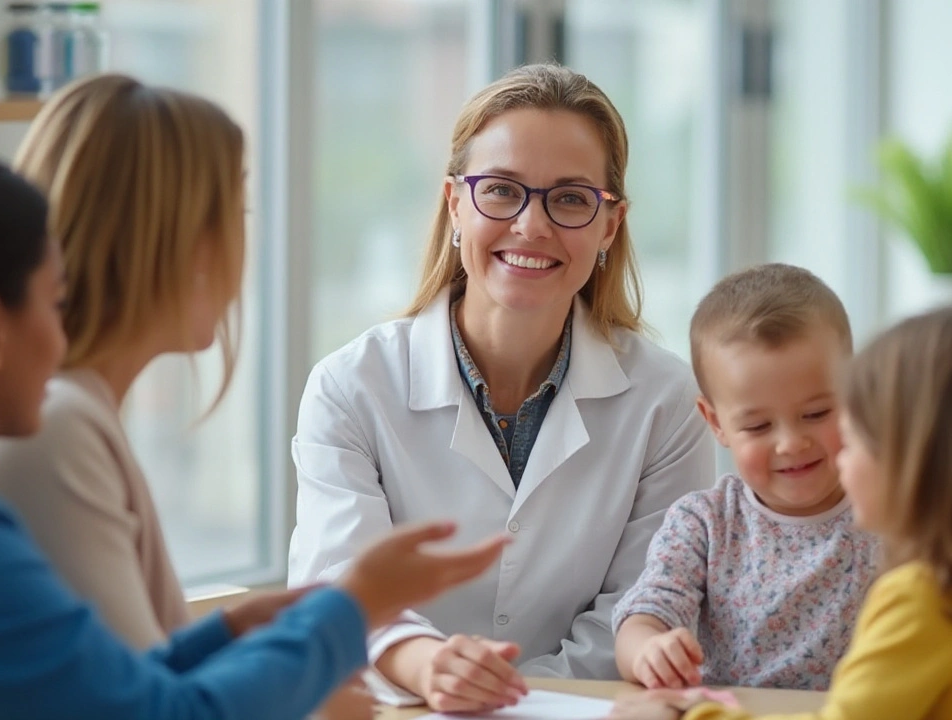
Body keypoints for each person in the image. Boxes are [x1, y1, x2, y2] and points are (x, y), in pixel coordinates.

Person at [0, 148, 505, 719]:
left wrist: (225, 632)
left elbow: (110, 690)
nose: (62, 336)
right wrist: (355, 605)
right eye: (54, 302)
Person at [287, 62, 716, 713]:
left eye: (570, 198)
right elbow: (341, 590)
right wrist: (432, 666)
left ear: (610, 225)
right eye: (502, 191)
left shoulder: (664, 401)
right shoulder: (351, 387)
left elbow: (650, 603)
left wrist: (515, 697)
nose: (531, 226)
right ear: (456, 203)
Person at [609, 305, 952, 720]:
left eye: (855, 436)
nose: (839, 455)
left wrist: (692, 716)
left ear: (928, 464)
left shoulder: (931, 600)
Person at [614, 264, 880, 692]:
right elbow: (644, 617)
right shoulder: (704, 523)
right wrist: (649, 651)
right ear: (715, 423)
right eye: (758, 427)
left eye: (816, 414)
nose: (791, 444)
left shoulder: (893, 513)